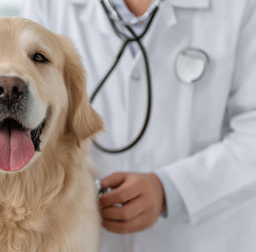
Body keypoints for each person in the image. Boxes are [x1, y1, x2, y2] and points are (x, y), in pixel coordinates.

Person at [21, 0, 256, 251]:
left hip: (204, 236)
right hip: (84, 232)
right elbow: (32, 120)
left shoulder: (239, 7)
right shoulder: (48, 5)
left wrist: (170, 188)